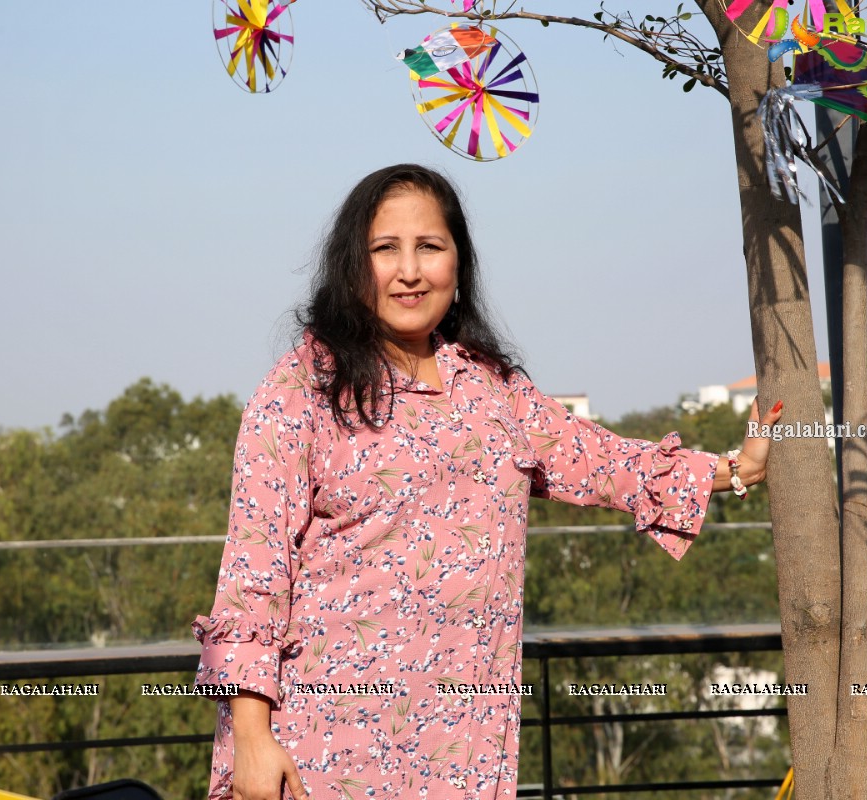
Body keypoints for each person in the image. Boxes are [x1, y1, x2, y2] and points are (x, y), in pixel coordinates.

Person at [192, 164, 783, 800]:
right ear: (351, 264)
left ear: (459, 262)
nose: (409, 271)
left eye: (430, 247)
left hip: (463, 743)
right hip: (320, 747)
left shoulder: (491, 388)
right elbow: (253, 579)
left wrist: (737, 468)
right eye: (385, 249)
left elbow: (601, 460)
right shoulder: (301, 390)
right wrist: (253, 740)